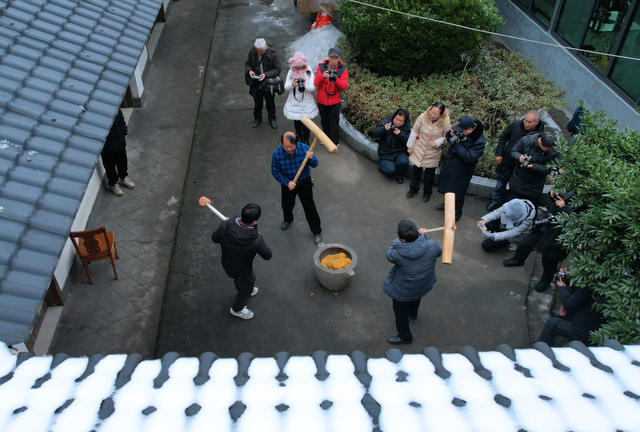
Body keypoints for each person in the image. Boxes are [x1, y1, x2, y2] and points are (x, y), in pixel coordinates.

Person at [503, 190, 576, 292]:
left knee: (549, 260)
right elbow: (550, 202)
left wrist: (563, 208)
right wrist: (552, 195)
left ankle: (546, 280)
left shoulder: (590, 205)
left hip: (557, 236)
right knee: (526, 243)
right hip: (546, 226)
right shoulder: (571, 188)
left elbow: (576, 222)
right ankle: (518, 260)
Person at [383, 220, 442, 345]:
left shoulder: (397, 253)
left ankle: (405, 336)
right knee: (416, 297)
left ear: (403, 239)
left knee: (400, 313)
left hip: (403, 290)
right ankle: (413, 313)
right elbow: (439, 252)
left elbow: (389, 254)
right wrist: (424, 237)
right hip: (423, 283)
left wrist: (396, 242)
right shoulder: (432, 244)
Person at [211, 203, 272, 320]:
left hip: (227, 263)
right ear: (255, 221)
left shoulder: (226, 225)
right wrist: (259, 238)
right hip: (243, 269)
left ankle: (242, 289)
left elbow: (214, 238)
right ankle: (237, 309)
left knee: (239, 280)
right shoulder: (256, 240)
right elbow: (267, 255)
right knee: (247, 285)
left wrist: (227, 226)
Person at [271, 131, 322, 245]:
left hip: (304, 181)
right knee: (286, 204)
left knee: (309, 206)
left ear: (296, 143)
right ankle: (288, 219)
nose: (288, 149)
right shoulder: (277, 154)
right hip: (288, 183)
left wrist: (310, 158)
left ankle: (316, 231)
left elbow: (315, 164)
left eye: (291, 146)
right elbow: (275, 171)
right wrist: (286, 182)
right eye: (285, 146)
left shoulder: (304, 149)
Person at [487, 111, 545, 211]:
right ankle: (495, 202)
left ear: (536, 122)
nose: (526, 124)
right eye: (525, 120)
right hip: (507, 162)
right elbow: (503, 137)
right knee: (500, 184)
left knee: (514, 190)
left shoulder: (540, 135)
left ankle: (508, 207)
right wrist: (499, 153)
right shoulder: (516, 125)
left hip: (523, 168)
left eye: (529, 122)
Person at [435, 115, 485, 220]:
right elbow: (450, 138)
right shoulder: (464, 127)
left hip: (462, 171)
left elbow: (469, 157)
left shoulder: (479, 142)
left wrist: (457, 145)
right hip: (450, 164)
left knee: (458, 193)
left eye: (462, 130)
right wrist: (450, 134)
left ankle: (457, 213)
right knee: (447, 187)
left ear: (470, 129)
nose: (460, 131)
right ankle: (446, 205)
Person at [538, 269, 601, 346]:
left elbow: (569, 302)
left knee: (551, 323)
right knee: (561, 315)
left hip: (584, 330)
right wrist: (566, 279)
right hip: (585, 318)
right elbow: (574, 296)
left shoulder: (588, 286)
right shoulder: (597, 284)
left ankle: (542, 348)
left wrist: (562, 286)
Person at [406, 102, 451, 202]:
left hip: (433, 151)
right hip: (419, 147)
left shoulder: (445, 122)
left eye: (436, 113)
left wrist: (438, 142)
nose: (432, 115)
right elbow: (415, 132)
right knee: (416, 171)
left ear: (441, 115)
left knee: (429, 175)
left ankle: (427, 193)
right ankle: (413, 189)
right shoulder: (423, 116)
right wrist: (410, 146)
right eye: (432, 111)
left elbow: (447, 137)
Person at [507, 132, 558, 205]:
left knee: (531, 208)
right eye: (546, 149)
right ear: (540, 142)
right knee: (512, 205)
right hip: (518, 180)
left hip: (535, 186)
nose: (549, 150)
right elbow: (513, 151)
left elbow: (553, 168)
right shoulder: (526, 141)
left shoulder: (553, 150)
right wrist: (519, 157)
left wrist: (534, 166)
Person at [314, 47, 348, 146]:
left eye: (335, 58)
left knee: (334, 124)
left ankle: (334, 142)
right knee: (324, 122)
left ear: (339, 58)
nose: (333, 60)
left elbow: (343, 86)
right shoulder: (321, 67)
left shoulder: (342, 69)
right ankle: (325, 140)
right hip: (322, 101)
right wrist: (322, 76)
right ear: (328, 57)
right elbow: (316, 83)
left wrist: (335, 78)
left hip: (335, 102)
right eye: (331, 57)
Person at [245, 37, 281, 129]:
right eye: (257, 50)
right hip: (256, 82)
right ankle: (257, 118)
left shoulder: (273, 54)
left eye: (260, 50)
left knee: (270, 102)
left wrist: (265, 74)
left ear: (264, 48)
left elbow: (277, 69)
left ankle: (272, 119)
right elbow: (248, 64)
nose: (259, 52)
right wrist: (250, 71)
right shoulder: (253, 52)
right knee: (257, 102)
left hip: (268, 83)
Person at [283, 51, 318, 144]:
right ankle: (298, 137)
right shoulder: (291, 71)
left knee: (307, 122)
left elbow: (313, 87)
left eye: (301, 65)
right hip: (295, 100)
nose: (299, 67)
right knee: (297, 121)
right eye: (297, 65)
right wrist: (292, 84)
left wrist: (306, 86)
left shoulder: (308, 71)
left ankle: (306, 139)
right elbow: (286, 87)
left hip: (307, 100)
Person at [372, 109, 411, 184]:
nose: (397, 122)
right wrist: (384, 129)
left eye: (401, 121)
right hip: (386, 152)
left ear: (405, 121)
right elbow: (375, 133)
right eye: (396, 119)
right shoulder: (386, 121)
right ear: (394, 117)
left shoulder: (407, 126)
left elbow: (410, 141)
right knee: (390, 170)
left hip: (400, 152)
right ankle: (382, 164)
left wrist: (401, 134)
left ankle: (399, 175)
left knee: (403, 162)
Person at [101, 109, 135, 196]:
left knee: (123, 162)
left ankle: (123, 178)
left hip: (119, 142)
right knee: (110, 166)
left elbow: (121, 121)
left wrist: (123, 132)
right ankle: (113, 185)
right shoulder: (98, 113)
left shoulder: (115, 108)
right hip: (107, 147)